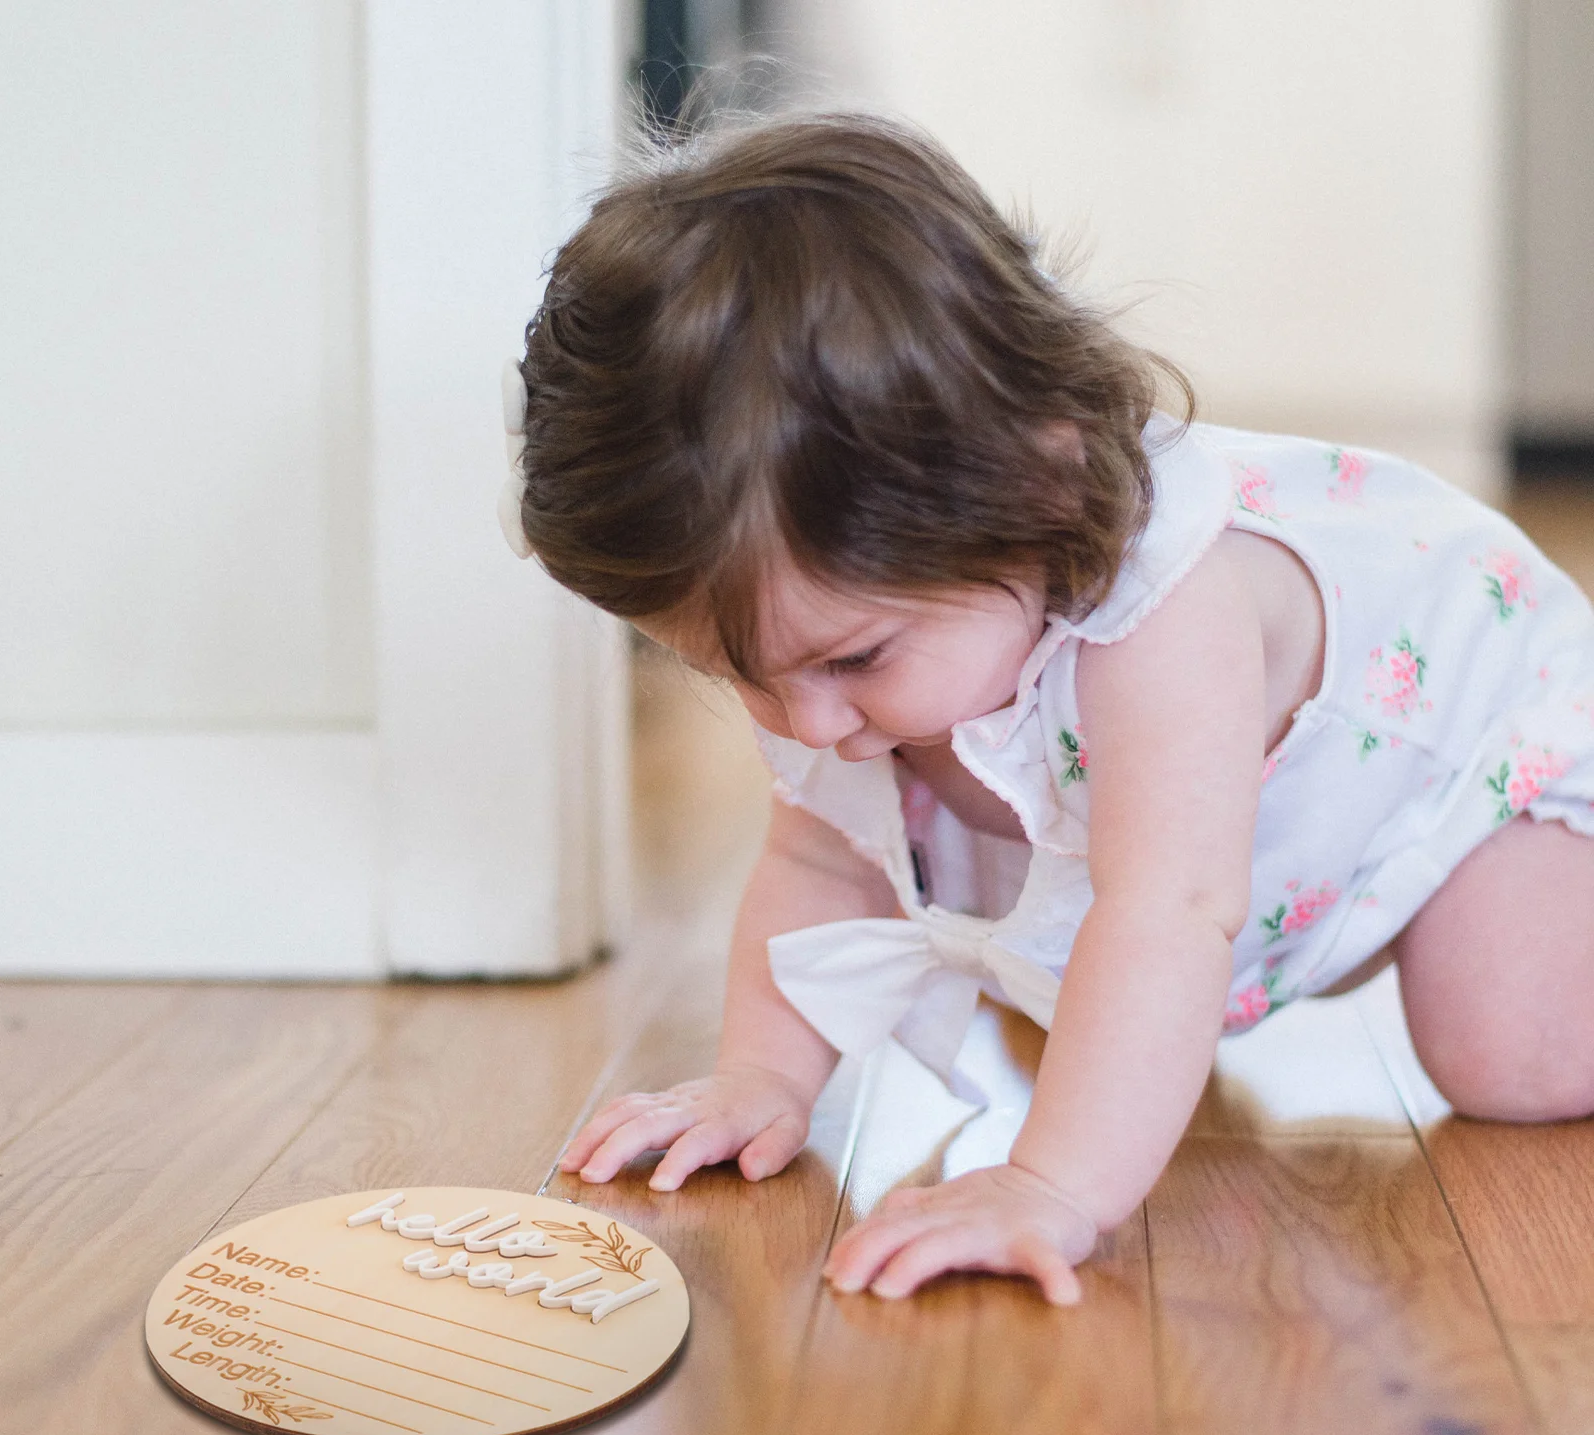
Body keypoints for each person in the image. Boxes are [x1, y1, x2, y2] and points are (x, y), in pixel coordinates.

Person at [502, 113, 1594, 1305]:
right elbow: (819, 869)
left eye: (854, 657)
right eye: (736, 675)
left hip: (1474, 754)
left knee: (1514, 1054)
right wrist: (760, 1077)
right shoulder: (852, 665)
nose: (805, 722)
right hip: (1280, 838)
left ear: (1036, 483)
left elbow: (1170, 907)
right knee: (1066, 984)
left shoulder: (1167, 623)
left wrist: (1051, 1184)